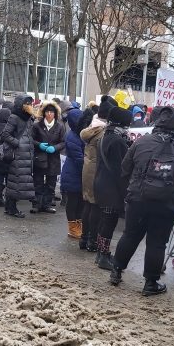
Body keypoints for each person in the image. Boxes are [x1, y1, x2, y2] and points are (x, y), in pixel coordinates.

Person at [109, 106, 174, 295]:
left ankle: (116, 271)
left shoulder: (141, 142)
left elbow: (124, 169)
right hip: (167, 203)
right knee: (157, 243)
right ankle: (150, 283)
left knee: (130, 235)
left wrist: (133, 187)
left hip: (138, 198)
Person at [94, 106, 134, 270]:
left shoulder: (105, 136)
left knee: (104, 220)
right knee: (109, 222)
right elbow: (121, 170)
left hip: (102, 183)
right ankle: (103, 256)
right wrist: (126, 191)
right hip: (112, 187)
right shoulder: (118, 141)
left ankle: (100, 253)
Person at [80, 96, 116, 250]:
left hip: (88, 169)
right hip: (96, 171)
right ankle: (91, 241)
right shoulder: (102, 131)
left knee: (88, 204)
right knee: (94, 206)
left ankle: (84, 238)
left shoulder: (92, 127)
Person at [2, 95, 36, 218]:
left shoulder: (28, 117)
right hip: (17, 155)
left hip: (26, 155)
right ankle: (12, 208)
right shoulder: (14, 117)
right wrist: (18, 143)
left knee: (16, 181)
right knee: (15, 181)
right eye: (27, 103)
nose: (30, 105)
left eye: (30, 103)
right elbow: (5, 134)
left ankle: (9, 206)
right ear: (21, 104)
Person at [31, 101, 66, 214]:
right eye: (47, 111)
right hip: (39, 158)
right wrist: (39, 145)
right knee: (38, 182)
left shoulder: (60, 126)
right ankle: (36, 204)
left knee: (51, 184)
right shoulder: (37, 125)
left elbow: (63, 142)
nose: (49, 114)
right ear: (44, 113)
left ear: (55, 114)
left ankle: (46, 205)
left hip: (53, 159)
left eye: (52, 112)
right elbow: (31, 139)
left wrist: (55, 148)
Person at [60, 106, 85, 239]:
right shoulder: (72, 136)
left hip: (78, 173)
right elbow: (79, 158)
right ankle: (72, 227)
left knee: (80, 200)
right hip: (72, 172)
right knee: (73, 201)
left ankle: (78, 224)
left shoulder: (80, 134)